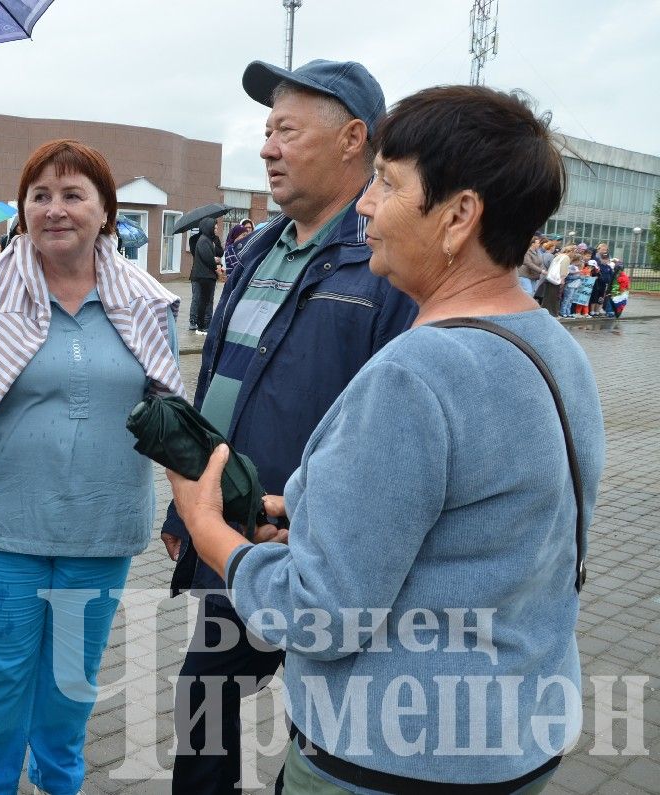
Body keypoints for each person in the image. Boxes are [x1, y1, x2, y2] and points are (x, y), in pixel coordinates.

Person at [170, 83, 604, 793]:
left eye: (388, 182)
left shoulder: (417, 371)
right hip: (514, 741)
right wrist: (304, 517)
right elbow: (482, 535)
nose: (367, 204)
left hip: (392, 756)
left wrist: (208, 528)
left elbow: (317, 613)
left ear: (460, 215)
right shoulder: (554, 349)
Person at [159, 59, 417, 794]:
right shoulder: (261, 246)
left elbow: (390, 429)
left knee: (318, 719)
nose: (267, 147)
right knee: (202, 701)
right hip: (230, 532)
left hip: (325, 553)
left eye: (287, 130)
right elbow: (217, 386)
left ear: (353, 140)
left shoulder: (387, 262)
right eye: (266, 131)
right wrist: (184, 506)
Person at [0, 139, 184, 795]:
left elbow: (167, 401)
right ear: (22, 209)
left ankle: (58, 780)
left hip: (102, 525)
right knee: (1, 670)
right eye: (40, 194)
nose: (55, 208)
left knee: (71, 674)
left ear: (105, 212)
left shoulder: (146, 302)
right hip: (0, 523)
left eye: (73, 194)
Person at [189, 217, 223, 334]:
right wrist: (216, 262)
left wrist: (215, 257)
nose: (216, 229)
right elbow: (208, 258)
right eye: (214, 227)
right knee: (201, 300)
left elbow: (218, 252)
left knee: (207, 300)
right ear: (208, 227)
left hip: (208, 276)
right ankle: (201, 325)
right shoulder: (203, 240)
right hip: (204, 276)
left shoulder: (209, 240)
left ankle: (205, 324)